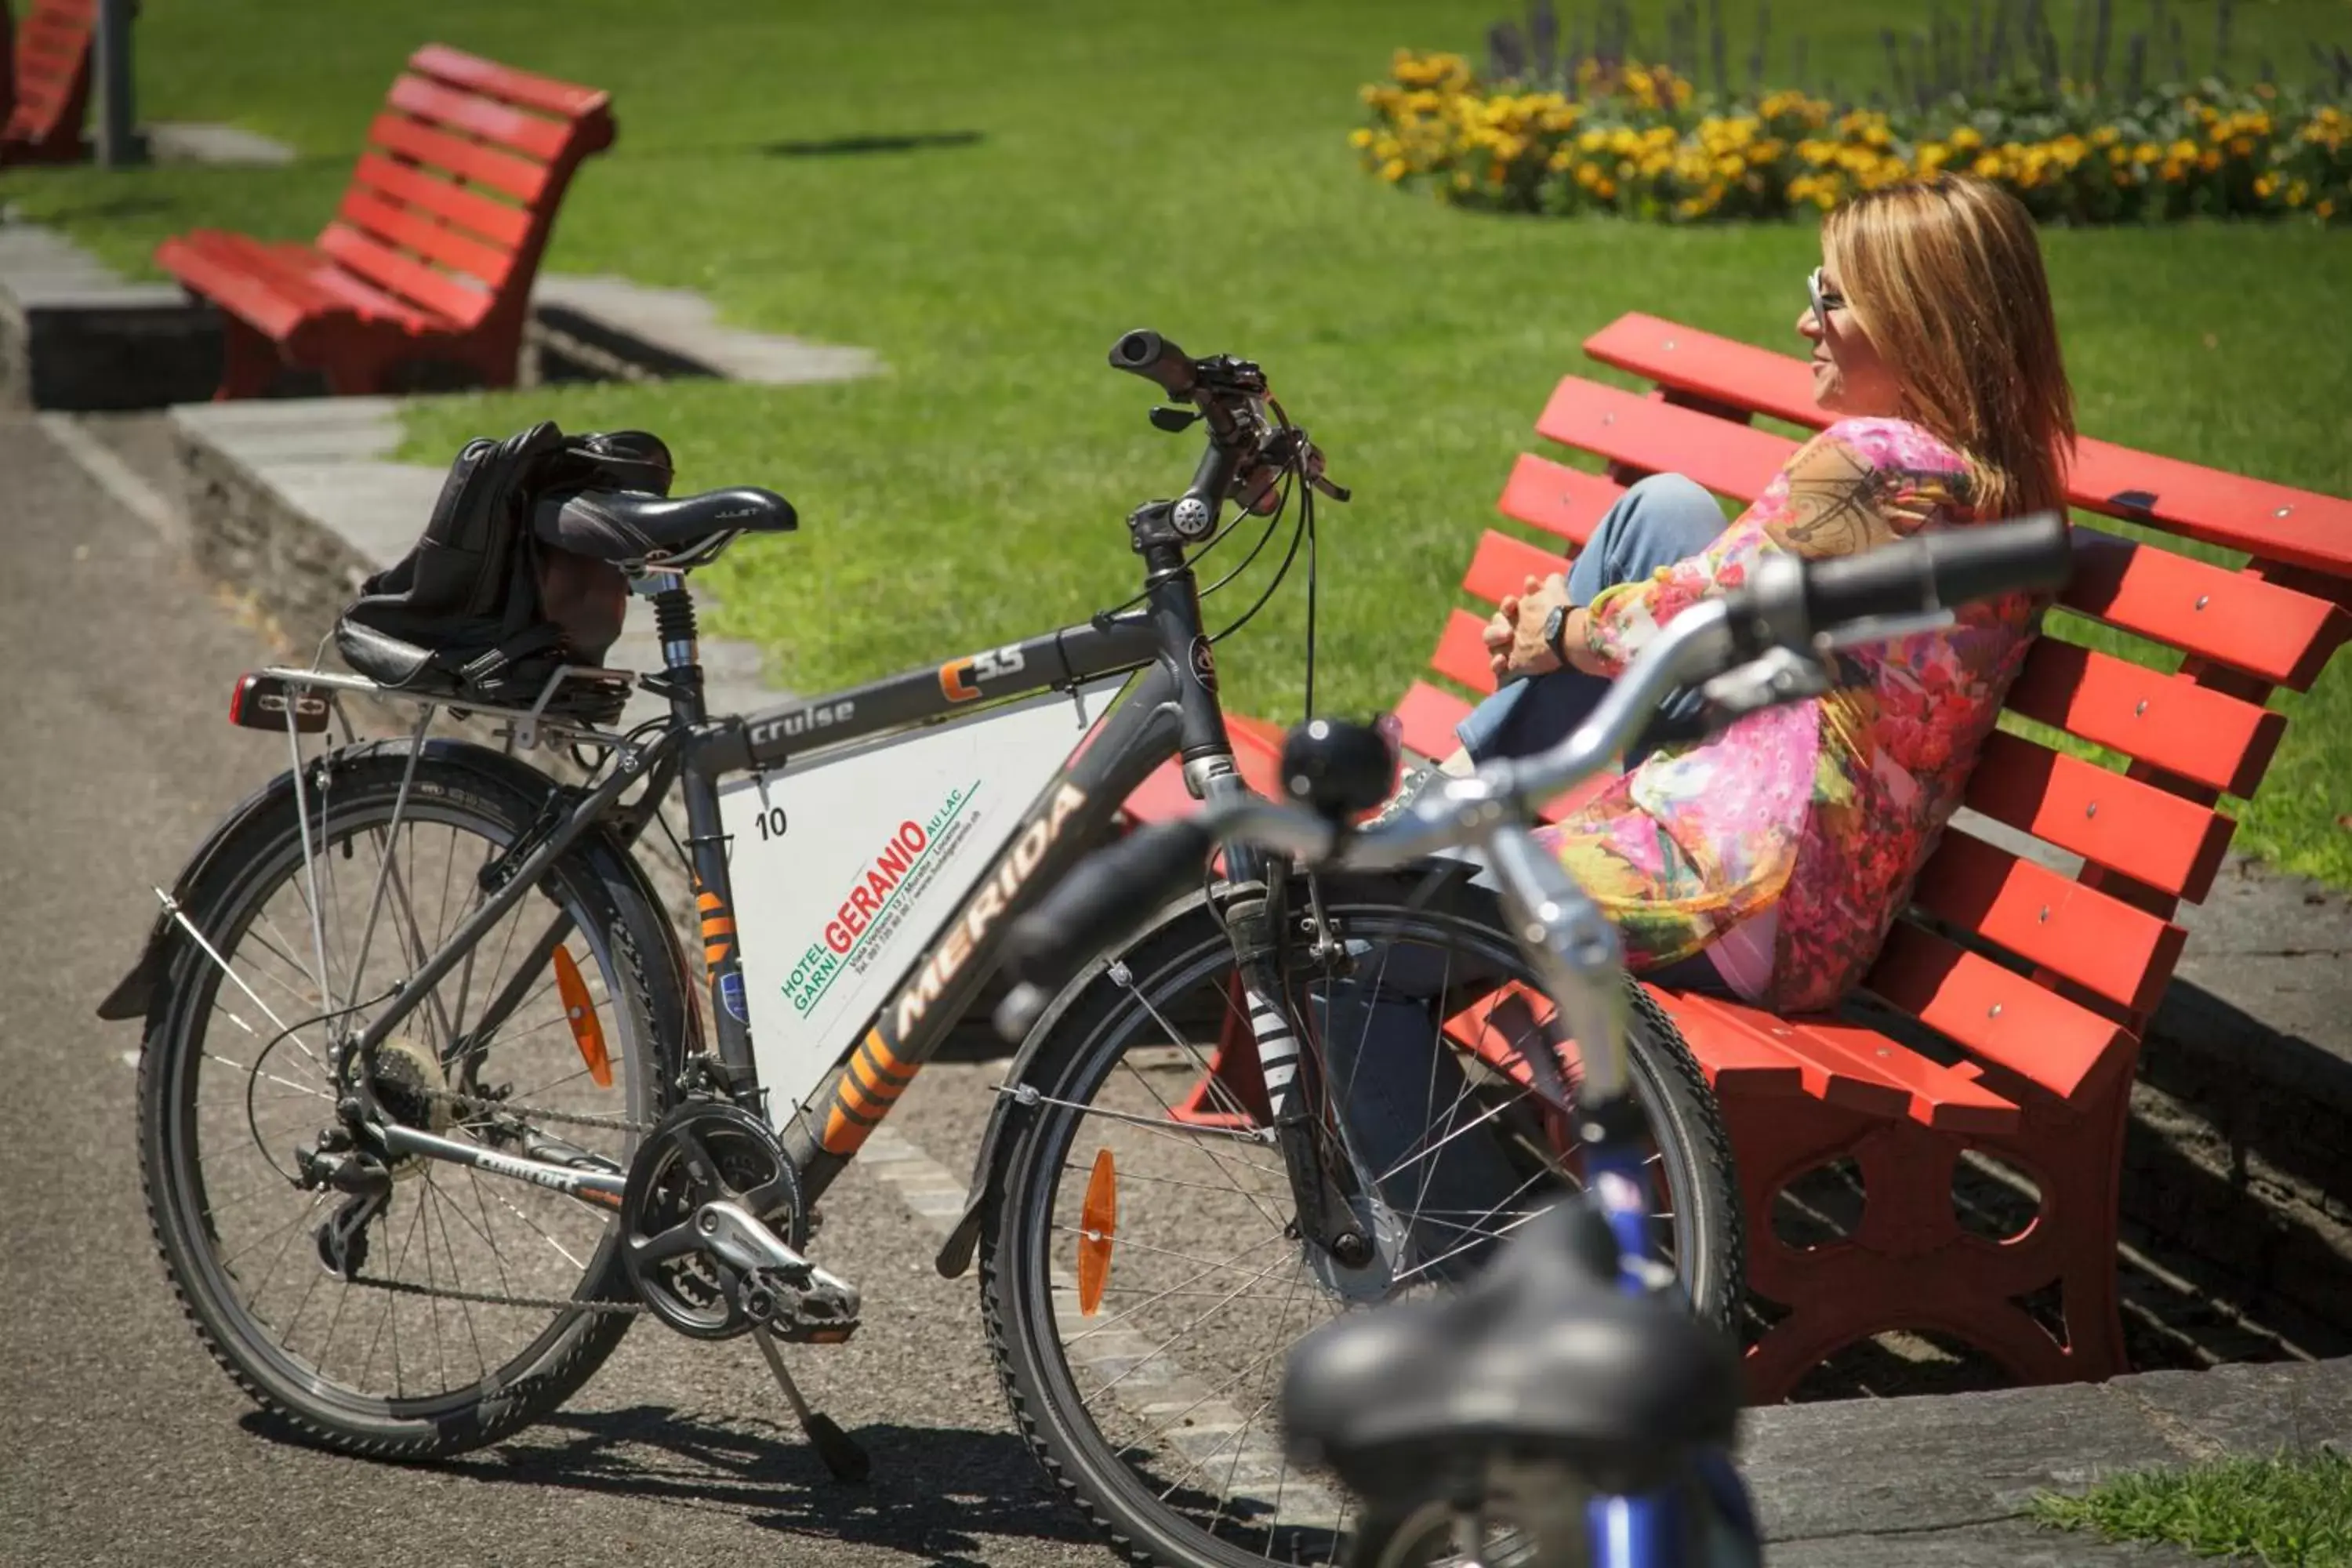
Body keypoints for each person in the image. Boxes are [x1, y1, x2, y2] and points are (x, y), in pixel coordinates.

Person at [1320, 172, 2077, 1273]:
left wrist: (1559, 629)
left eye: (1834, 298)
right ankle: (1449, 800)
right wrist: (1578, 629)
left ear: (1921, 317)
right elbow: (1727, 597)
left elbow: (1697, 610)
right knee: (1663, 507)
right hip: (1787, 839)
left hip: (1737, 889)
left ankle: (1488, 1282)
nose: (1804, 321)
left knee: (1343, 950)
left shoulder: (1880, 465)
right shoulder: (1976, 473)